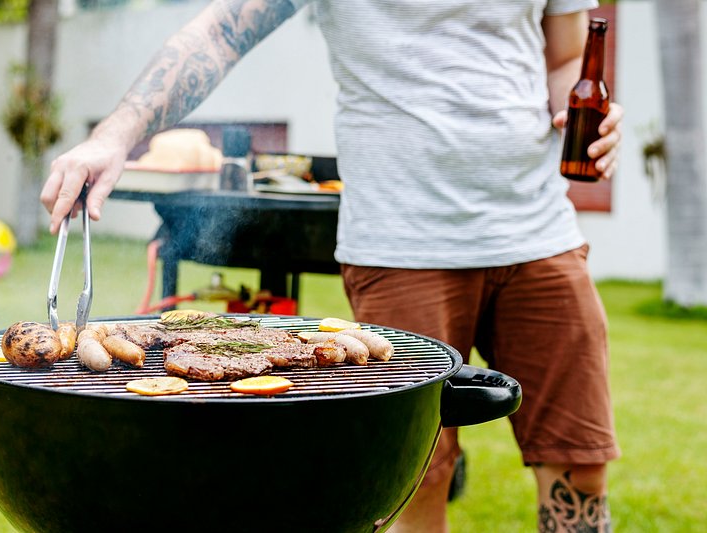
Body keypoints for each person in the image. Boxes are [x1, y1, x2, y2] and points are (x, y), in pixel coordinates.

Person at [41, 1, 622, 531]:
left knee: (579, 466)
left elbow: (567, 56)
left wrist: (586, 110)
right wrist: (116, 134)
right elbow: (219, 32)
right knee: (418, 477)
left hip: (540, 231)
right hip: (401, 246)